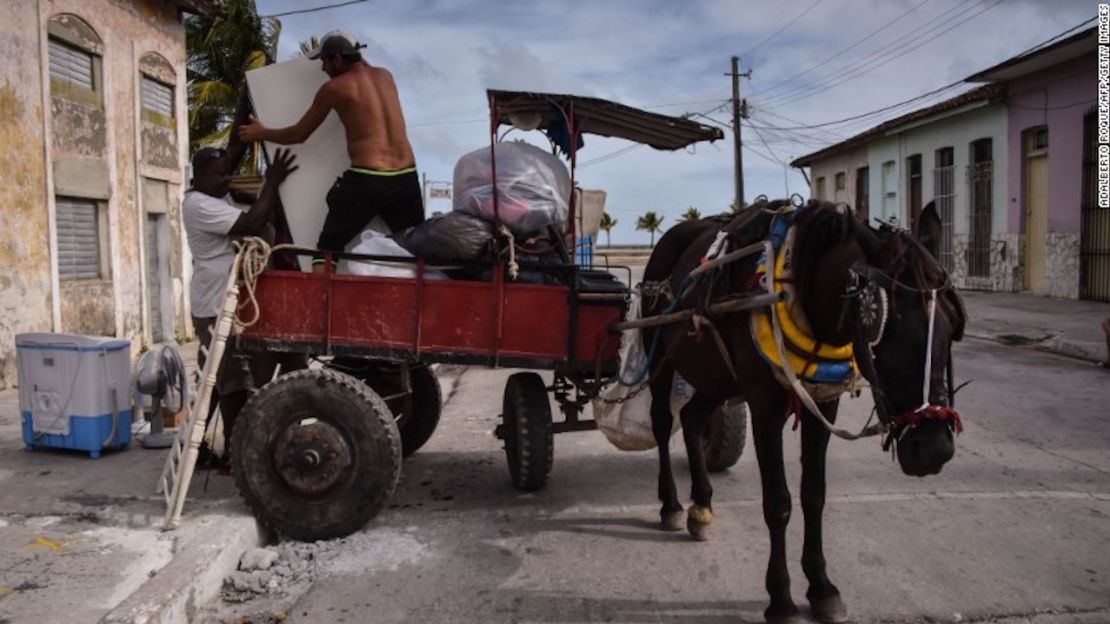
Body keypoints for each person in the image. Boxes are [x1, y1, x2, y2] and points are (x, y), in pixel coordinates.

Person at [238, 30, 424, 272]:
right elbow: (360, 65)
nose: (323, 69)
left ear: (337, 59)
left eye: (324, 61)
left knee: (327, 249)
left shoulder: (334, 88)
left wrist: (262, 133)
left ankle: (320, 305)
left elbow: (298, 134)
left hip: (366, 179)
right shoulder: (386, 76)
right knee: (417, 249)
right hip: (405, 177)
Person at [183, 129, 299, 464]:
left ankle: (201, 446)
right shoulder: (199, 204)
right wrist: (273, 181)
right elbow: (252, 223)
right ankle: (235, 455)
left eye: (227, 172)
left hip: (220, 298)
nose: (227, 179)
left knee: (213, 382)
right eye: (219, 175)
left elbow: (232, 153)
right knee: (228, 382)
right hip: (215, 303)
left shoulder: (215, 196)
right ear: (198, 177)